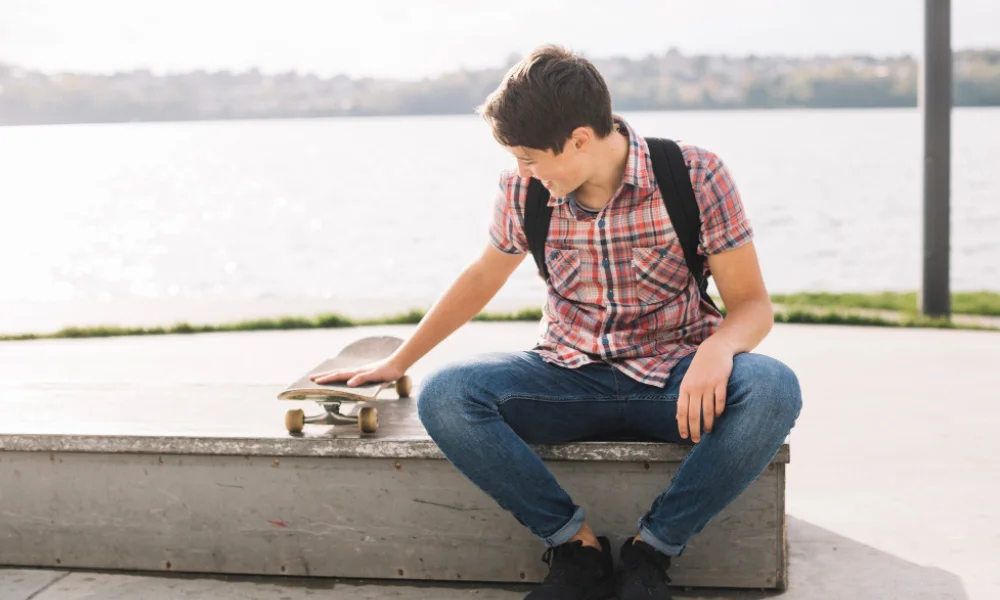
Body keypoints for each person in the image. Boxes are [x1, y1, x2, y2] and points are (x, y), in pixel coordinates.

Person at [312, 44, 803, 600]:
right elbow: (483, 276)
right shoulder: (523, 190)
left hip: (678, 384)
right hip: (566, 379)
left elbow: (752, 305)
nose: (523, 170)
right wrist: (400, 360)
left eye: (530, 157)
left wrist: (718, 350)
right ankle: (575, 549)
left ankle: (651, 552)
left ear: (579, 139)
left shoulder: (693, 174)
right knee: (446, 393)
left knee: (773, 388)